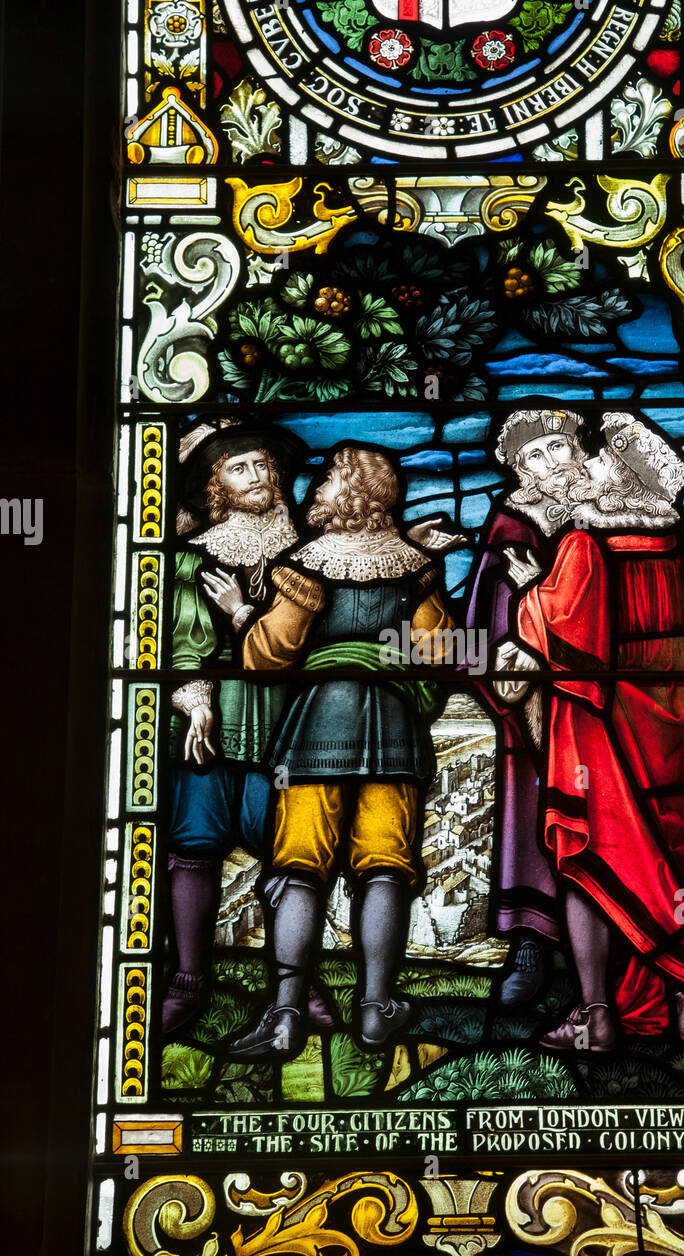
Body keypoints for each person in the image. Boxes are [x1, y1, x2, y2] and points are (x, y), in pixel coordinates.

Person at [506, 412, 684, 1051]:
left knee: (594, 857)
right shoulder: (683, 537)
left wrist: (528, 591)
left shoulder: (586, 542)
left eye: (589, 458)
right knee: (682, 858)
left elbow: (562, 624)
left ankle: (597, 1016)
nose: (579, 467)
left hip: (608, 722)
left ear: (614, 474)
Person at [221, 445, 456, 1059]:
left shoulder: (307, 567)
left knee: (299, 867)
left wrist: (245, 614)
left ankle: (285, 1014)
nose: (317, 487)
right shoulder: (416, 569)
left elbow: (265, 655)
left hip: (317, 726)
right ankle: (377, 1009)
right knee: (385, 865)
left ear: (339, 492)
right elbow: (440, 654)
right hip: (395, 731)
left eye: (325, 478)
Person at [162, 420, 333, 1036]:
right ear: (216, 484)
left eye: (263, 465)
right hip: (216, 718)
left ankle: (295, 978)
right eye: (239, 468)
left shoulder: (314, 547)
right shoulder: (195, 556)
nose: (256, 477)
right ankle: (188, 976)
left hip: (292, 721)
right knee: (193, 847)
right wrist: (196, 698)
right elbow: (181, 636)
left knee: (289, 851)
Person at [463, 408, 592, 1009]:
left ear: (577, 450)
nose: (550, 463)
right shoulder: (513, 524)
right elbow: (485, 620)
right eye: (533, 457)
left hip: (601, 695)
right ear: (518, 470)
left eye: (558, 448)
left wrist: (548, 589)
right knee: (534, 813)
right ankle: (532, 944)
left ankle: (625, 950)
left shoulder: (612, 511)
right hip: (537, 695)